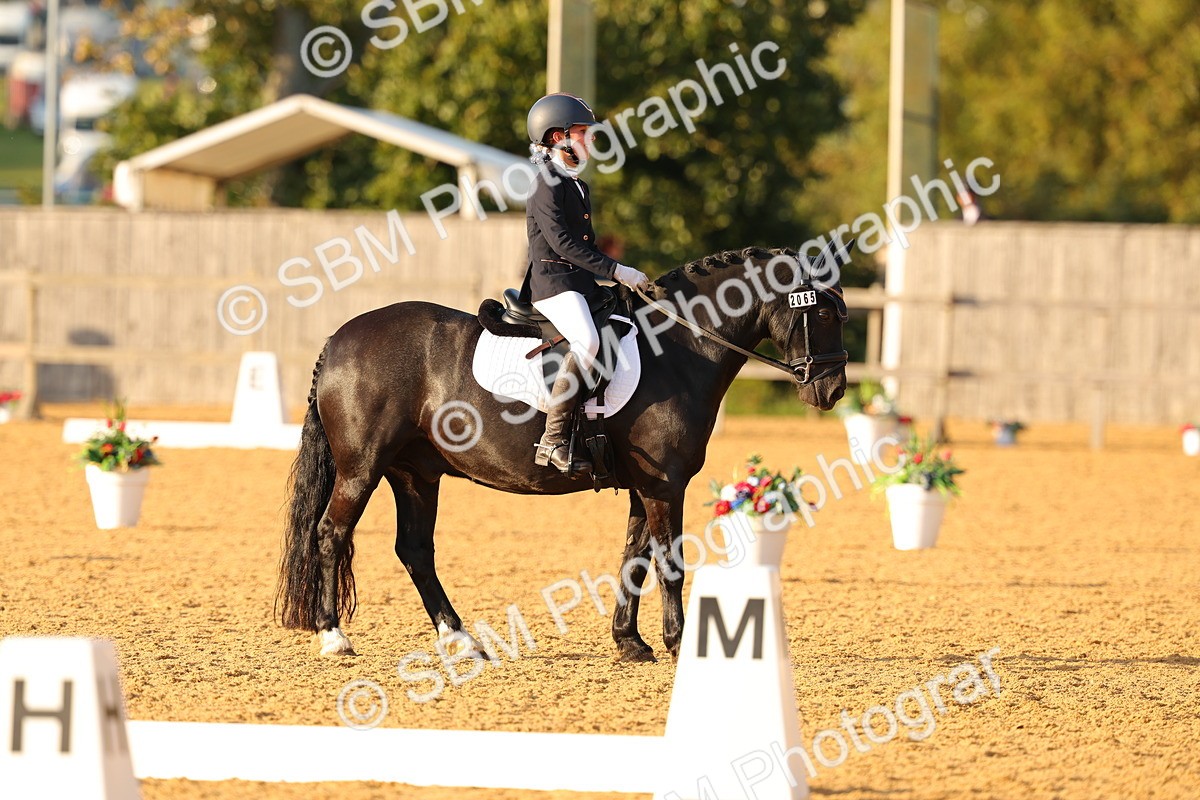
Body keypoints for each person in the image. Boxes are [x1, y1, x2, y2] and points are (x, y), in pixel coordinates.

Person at [522, 92, 650, 475]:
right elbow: (562, 244)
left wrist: (618, 278)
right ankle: (552, 439)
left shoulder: (576, 185)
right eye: (582, 132)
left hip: (578, 283)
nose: (590, 140)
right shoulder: (546, 183)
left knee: (624, 320)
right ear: (557, 137)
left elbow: (585, 246)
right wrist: (616, 270)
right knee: (589, 341)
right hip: (553, 285)